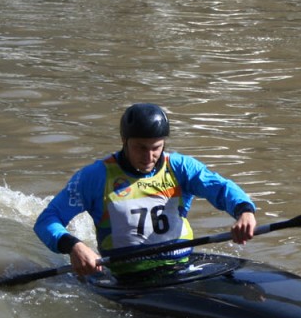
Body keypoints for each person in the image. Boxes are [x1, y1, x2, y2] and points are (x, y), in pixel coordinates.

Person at [34, 103, 257, 277]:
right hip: (127, 276)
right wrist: (73, 245)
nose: (149, 156)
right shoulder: (95, 177)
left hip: (181, 266)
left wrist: (244, 211)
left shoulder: (181, 167)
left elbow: (221, 188)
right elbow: (47, 220)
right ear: (124, 140)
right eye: (140, 147)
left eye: (156, 147)